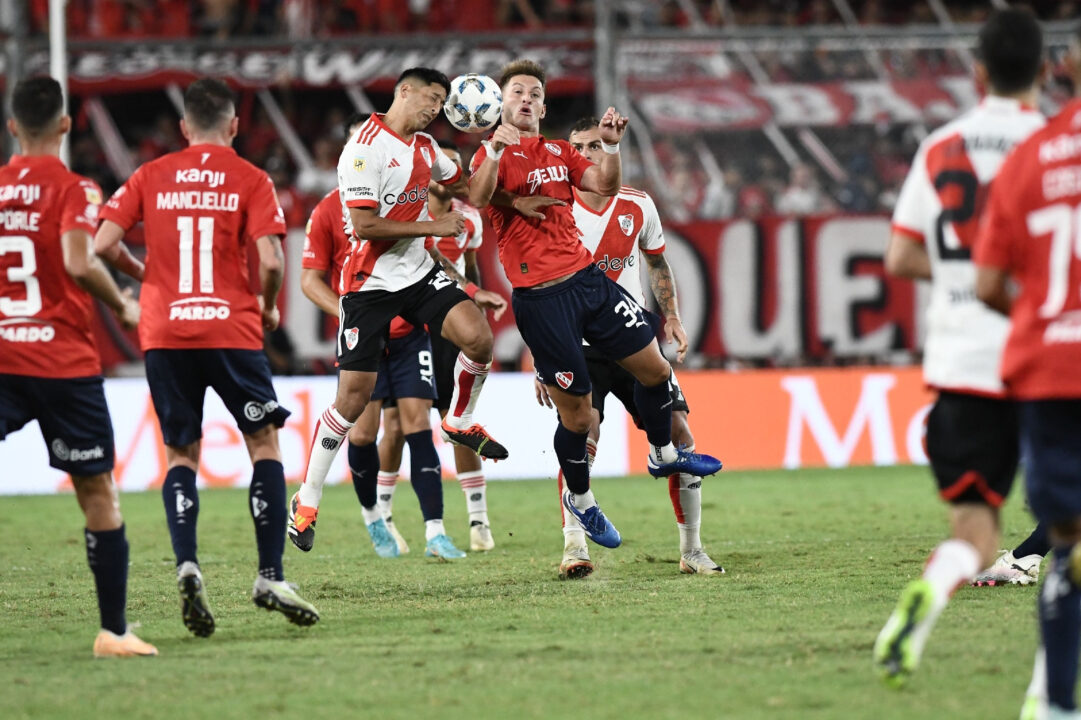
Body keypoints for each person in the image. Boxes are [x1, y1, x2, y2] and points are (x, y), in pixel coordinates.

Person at [467, 58, 722, 571]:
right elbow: (477, 198)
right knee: (580, 421)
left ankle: (678, 508)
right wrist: (495, 152)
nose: (526, 99)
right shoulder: (490, 157)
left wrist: (609, 145)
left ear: (543, 105)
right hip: (544, 301)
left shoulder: (564, 158)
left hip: (589, 286)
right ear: (499, 102)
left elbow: (605, 186)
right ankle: (578, 516)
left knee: (659, 374)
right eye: (516, 91)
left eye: (535, 93)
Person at [95, 77, 319, 636]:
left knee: (181, 454)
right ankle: (269, 574)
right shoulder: (250, 177)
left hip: (165, 329)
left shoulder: (151, 174)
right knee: (263, 442)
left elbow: (101, 245)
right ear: (235, 125)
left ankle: (188, 566)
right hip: (230, 326)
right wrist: (267, 309)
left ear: (184, 127)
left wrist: (145, 277)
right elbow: (271, 260)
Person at [872, 8, 1045, 686]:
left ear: (976, 71)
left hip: (961, 360)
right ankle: (1048, 693)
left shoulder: (941, 145)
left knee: (972, 532)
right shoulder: (1055, 144)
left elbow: (898, 255)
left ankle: (934, 590)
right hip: (1042, 355)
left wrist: (964, 278)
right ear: (1044, 70)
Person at [289, 67, 508, 553]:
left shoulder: (428, 149)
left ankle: (459, 419)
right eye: (430, 98)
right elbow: (365, 227)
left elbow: (473, 192)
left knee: (479, 339)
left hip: (416, 275)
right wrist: (434, 227)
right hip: (368, 288)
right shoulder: (364, 148)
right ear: (403, 92)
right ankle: (306, 499)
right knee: (352, 406)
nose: (436, 108)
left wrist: (492, 151)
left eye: (442, 101)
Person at [0, 76, 156, 658]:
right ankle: (112, 632)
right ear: (66, 125)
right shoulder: (74, 188)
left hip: (3, 357)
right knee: (96, 492)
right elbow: (77, 258)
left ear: (14, 126)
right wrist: (121, 303)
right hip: (62, 364)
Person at [530, 117, 723, 579]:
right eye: (580, 147)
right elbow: (537, 285)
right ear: (567, 155)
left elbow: (656, 261)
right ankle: (575, 547)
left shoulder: (637, 204)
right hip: (577, 345)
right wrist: (543, 358)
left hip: (631, 336)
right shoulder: (554, 207)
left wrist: (671, 314)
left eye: (598, 145)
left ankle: (692, 549)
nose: (590, 153)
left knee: (680, 435)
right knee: (582, 437)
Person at [974, 22, 1081, 720]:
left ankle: (1054, 706)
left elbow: (987, 283)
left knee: (1066, 540)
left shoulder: (1031, 155)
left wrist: (1044, 319)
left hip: (1048, 365)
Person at [376, 141, 502, 553]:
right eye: (443, 168)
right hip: (408, 327)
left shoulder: (469, 219)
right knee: (394, 428)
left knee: (457, 423)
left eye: (456, 169)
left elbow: (470, 265)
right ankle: (384, 518)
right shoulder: (406, 214)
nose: (451, 175)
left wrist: (476, 296)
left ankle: (479, 520)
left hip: (448, 328)